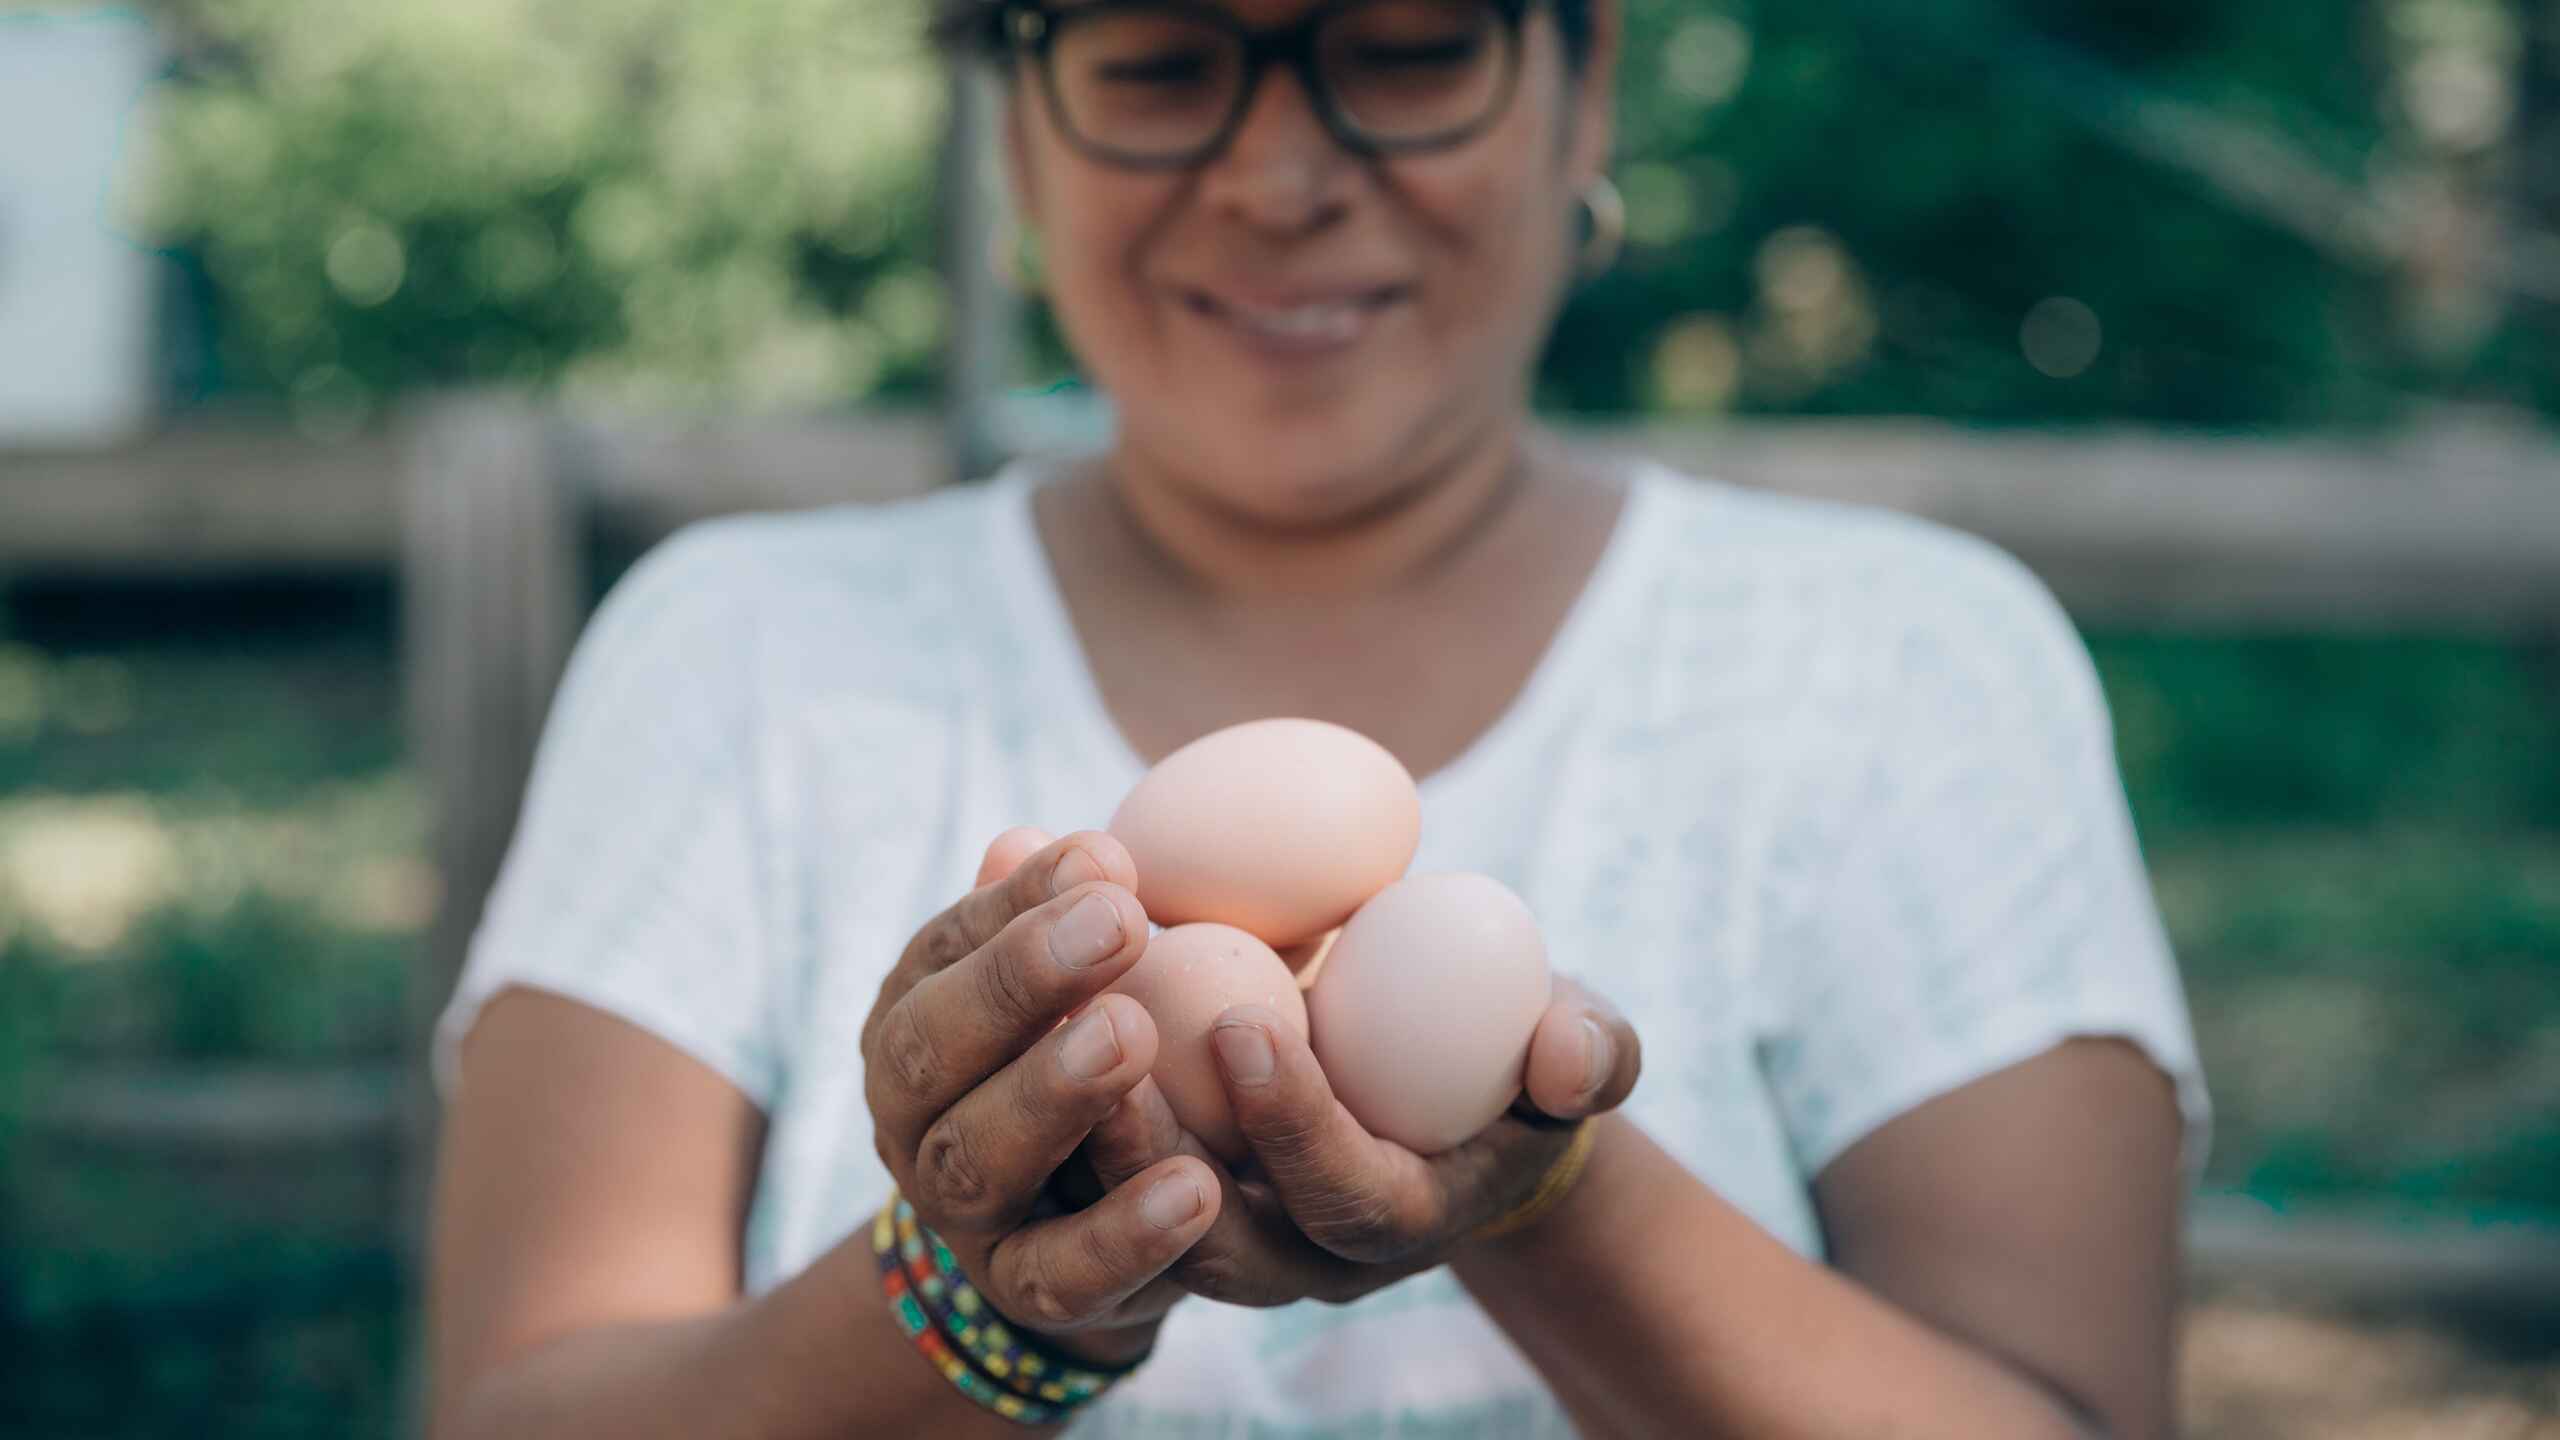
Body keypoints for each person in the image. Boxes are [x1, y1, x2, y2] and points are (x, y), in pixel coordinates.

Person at [426, 0, 2209, 1434]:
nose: (1278, 175)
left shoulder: (1901, 668)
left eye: (1408, 48)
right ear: (1020, 129)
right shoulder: (743, 661)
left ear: (1581, 85)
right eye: (1160, 61)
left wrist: (1548, 1202)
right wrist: (986, 1303)